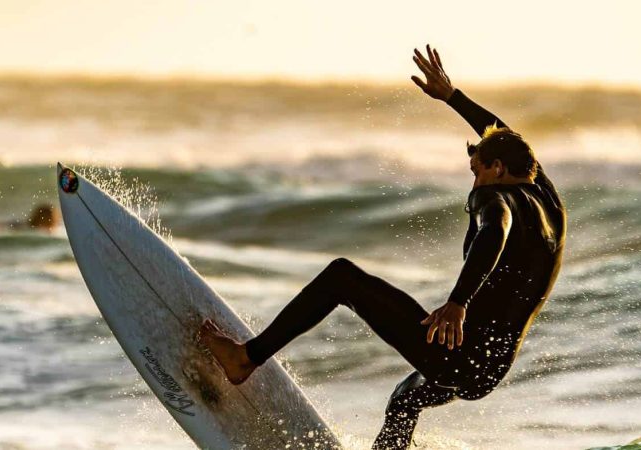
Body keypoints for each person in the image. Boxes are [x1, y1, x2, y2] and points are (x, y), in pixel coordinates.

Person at [198, 45, 566, 449]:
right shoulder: (547, 200)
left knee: (341, 277)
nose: (474, 181)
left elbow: (493, 232)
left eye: (476, 171)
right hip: (489, 369)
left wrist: (458, 301)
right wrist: (452, 96)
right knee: (404, 400)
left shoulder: (493, 197)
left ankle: (245, 358)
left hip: (458, 357)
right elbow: (507, 137)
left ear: (497, 170)